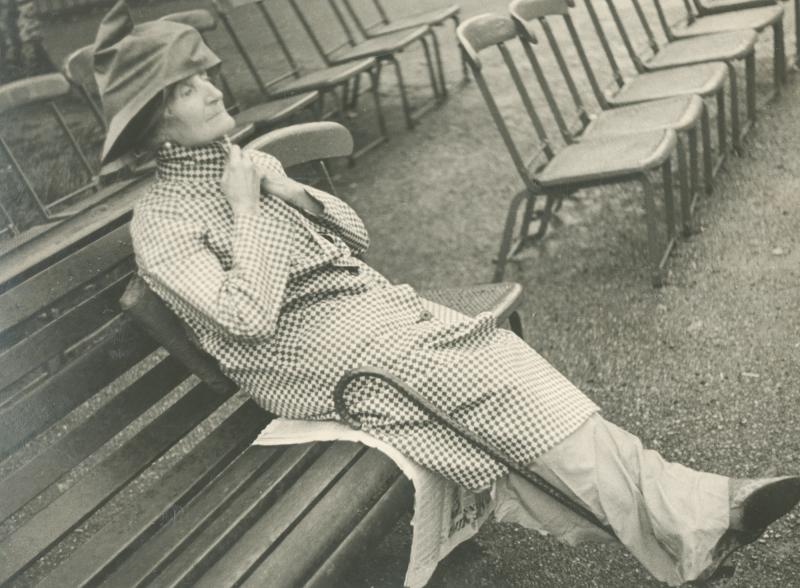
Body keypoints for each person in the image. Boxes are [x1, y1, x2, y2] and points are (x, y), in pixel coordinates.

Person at [93, 2, 800, 585]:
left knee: (506, 366)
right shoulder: (163, 222)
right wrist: (248, 210)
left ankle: (694, 518)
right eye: (189, 88)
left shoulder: (243, 163)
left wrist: (283, 190)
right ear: (156, 118)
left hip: (366, 319)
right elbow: (246, 319)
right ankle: (693, 519)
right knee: (485, 387)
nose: (215, 90)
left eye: (206, 76)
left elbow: (354, 235)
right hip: (307, 359)